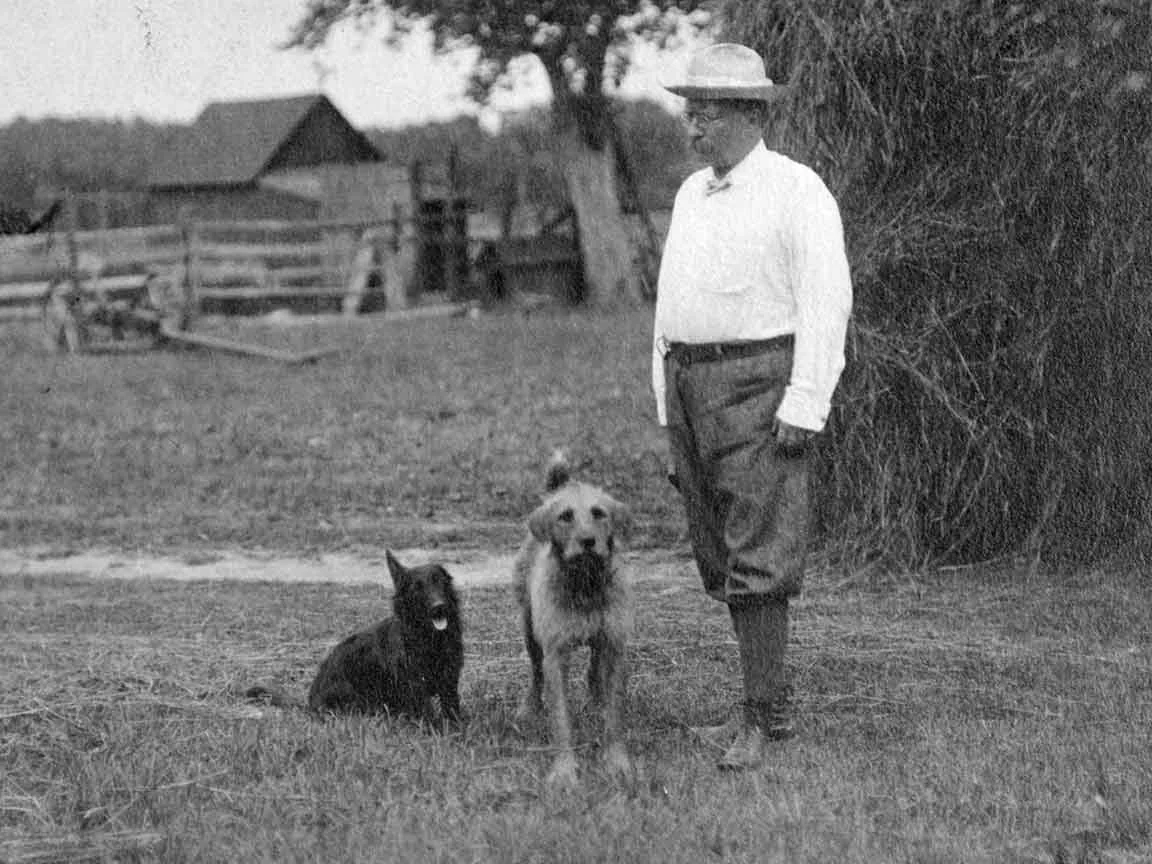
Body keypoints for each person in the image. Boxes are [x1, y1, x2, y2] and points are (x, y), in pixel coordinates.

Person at [652, 43, 853, 770]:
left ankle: (763, 718)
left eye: (704, 115)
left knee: (759, 553)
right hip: (692, 387)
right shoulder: (688, 195)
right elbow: (668, 312)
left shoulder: (797, 191)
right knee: (721, 553)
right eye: (689, 113)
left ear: (749, 114)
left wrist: (807, 397)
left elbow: (826, 300)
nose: (692, 128)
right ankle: (761, 705)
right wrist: (666, 409)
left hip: (758, 385)